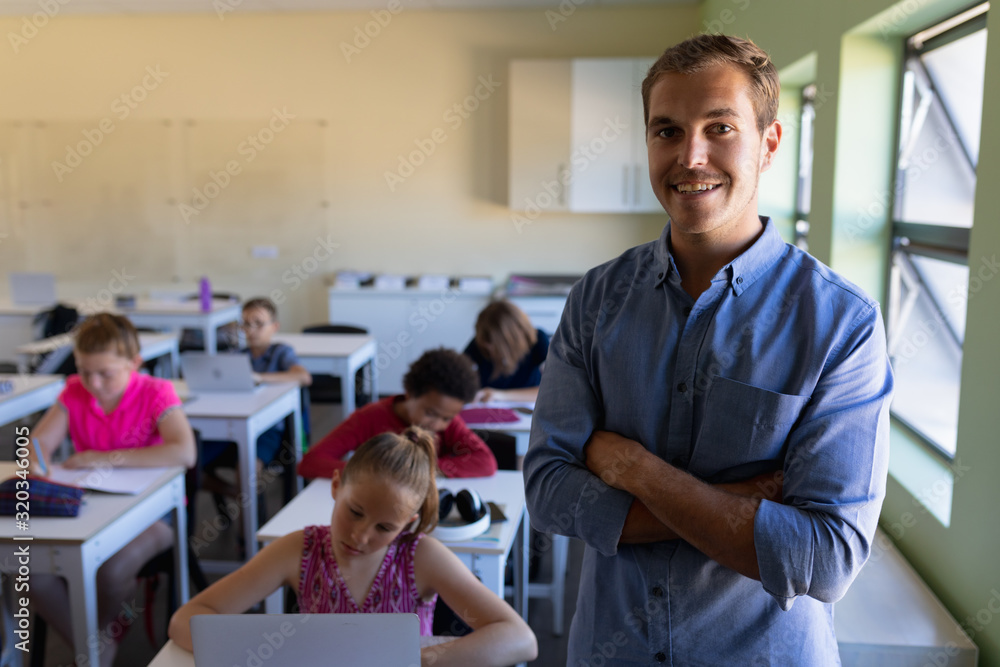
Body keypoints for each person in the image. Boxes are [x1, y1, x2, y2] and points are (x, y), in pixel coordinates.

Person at [523, 34, 894, 665]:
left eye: (719, 127)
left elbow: (825, 558)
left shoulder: (840, 323)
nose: (690, 156)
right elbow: (549, 491)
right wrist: (744, 504)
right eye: (666, 131)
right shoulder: (597, 300)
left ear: (768, 143)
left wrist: (635, 469)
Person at [169, 426, 537, 667]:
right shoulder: (299, 549)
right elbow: (187, 619)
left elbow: (519, 638)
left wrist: (420, 658)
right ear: (336, 485)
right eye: (355, 511)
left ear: (407, 524)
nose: (361, 536)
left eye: (384, 527)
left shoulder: (421, 556)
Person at [28, 312, 197, 667]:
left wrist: (105, 459)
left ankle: (96, 646)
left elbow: (184, 452)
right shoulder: (74, 390)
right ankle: (96, 647)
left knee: (112, 568)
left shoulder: (155, 391)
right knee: (34, 572)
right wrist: (34, 460)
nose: (93, 382)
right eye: (84, 370)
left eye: (105, 373)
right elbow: (39, 443)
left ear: (134, 363)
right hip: (87, 509)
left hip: (154, 515)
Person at [298, 347, 497, 480]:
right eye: (430, 413)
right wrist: (375, 473)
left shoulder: (448, 422)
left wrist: (421, 471)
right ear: (410, 393)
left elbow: (486, 462)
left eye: (447, 418)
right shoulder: (368, 418)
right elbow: (310, 462)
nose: (438, 424)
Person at [202, 297, 312, 471]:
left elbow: (303, 377)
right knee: (192, 460)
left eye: (258, 324)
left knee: (248, 465)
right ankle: (231, 492)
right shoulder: (237, 355)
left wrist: (259, 377)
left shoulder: (281, 352)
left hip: (269, 428)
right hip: (233, 424)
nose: (251, 330)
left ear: (275, 326)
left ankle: (248, 497)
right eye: (245, 324)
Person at [463, 299, 549, 404]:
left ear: (512, 339)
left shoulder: (537, 340)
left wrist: (499, 395)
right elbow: (458, 375)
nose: (490, 350)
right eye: (486, 346)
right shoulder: (482, 341)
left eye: (495, 345)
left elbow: (551, 390)